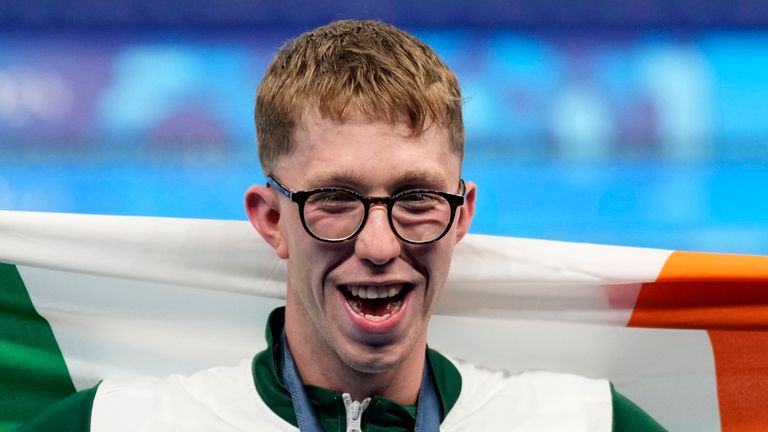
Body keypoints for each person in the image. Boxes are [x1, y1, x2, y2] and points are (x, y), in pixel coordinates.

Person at [16, 19, 665, 431]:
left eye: (415, 198)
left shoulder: (584, 421)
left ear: (461, 214)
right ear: (272, 219)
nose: (379, 246)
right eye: (335, 199)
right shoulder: (116, 423)